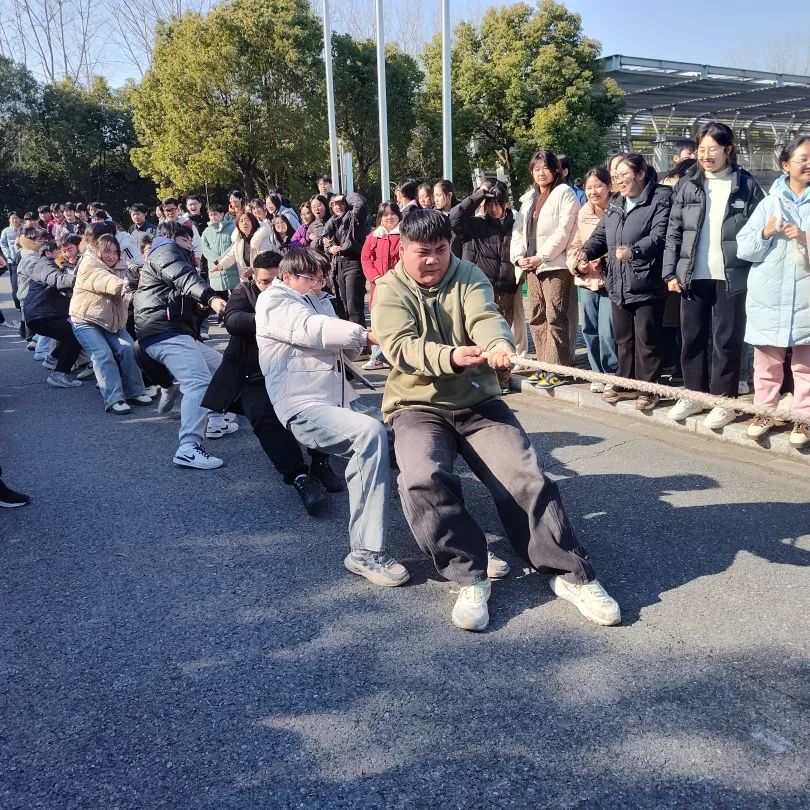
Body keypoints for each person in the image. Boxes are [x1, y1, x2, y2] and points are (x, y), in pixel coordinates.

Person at [373, 209, 620, 631]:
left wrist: (499, 344)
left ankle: (570, 574)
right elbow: (400, 347)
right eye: (422, 252)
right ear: (403, 250)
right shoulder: (389, 288)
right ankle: (469, 575)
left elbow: (486, 318)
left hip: (478, 401)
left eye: (441, 249)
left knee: (524, 475)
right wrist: (451, 356)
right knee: (422, 477)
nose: (433, 260)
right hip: (417, 406)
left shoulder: (468, 275)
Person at [255, 247, 409, 587]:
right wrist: (366, 335)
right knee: (368, 434)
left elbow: (343, 346)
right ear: (287, 276)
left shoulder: (318, 298)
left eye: (321, 277)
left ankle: (451, 539)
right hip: (302, 405)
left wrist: (363, 337)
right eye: (311, 277)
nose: (319, 283)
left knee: (411, 433)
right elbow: (312, 329)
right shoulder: (274, 300)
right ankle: (365, 552)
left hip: (338, 401)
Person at [202, 250, 344, 513]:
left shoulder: (304, 294)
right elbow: (232, 320)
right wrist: (273, 321)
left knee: (322, 405)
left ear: (288, 276)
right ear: (253, 278)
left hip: (297, 370)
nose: (270, 287)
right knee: (263, 416)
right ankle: (299, 477)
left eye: (275, 280)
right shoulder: (244, 292)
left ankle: (320, 463)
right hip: (253, 372)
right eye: (264, 282)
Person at [663, 122, 765, 429]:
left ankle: (724, 400)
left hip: (732, 276)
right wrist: (670, 271)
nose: (706, 156)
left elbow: (759, 230)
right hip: (693, 274)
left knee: (727, 340)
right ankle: (693, 395)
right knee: (692, 337)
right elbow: (673, 231)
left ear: (728, 150)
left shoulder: (746, 185)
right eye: (701, 149)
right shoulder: (688, 184)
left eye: (713, 149)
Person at [579, 154, 673, 411]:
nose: (619, 181)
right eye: (615, 176)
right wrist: (585, 253)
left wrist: (635, 251)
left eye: (624, 175)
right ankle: (625, 382)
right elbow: (601, 234)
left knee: (647, 339)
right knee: (623, 338)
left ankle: (650, 388)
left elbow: (660, 236)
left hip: (647, 280)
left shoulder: (660, 198)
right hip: (618, 280)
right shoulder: (616, 202)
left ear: (641, 174)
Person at [133, 221, 230, 469]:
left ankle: (217, 418)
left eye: (190, 239)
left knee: (222, 367)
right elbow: (183, 277)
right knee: (198, 382)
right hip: (164, 330)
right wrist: (211, 297)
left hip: (174, 331)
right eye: (185, 239)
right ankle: (188, 447)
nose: (190, 243)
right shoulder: (165, 251)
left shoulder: (171, 255)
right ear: (172, 237)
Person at [736, 134, 810, 447]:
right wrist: (766, 232)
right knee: (766, 362)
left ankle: (804, 417)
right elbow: (744, 249)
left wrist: (805, 238)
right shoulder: (769, 203)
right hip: (769, 296)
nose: (809, 164)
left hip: (806, 298)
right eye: (803, 159)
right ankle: (764, 411)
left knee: (806, 364)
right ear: (785, 165)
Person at [512, 150, 580, 388]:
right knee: (537, 317)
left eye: (546, 168)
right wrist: (518, 258)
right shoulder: (529, 198)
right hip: (531, 266)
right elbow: (518, 231)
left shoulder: (564, 192)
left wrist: (542, 257)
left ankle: (559, 369)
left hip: (554, 265)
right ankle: (544, 366)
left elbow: (564, 230)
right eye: (536, 169)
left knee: (555, 317)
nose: (541, 173)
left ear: (556, 170)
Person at [69, 234, 150, 414]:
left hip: (112, 321)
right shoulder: (89, 264)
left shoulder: (122, 264)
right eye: (107, 251)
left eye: (115, 252)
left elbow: (137, 270)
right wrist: (130, 287)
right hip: (85, 320)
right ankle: (114, 399)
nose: (112, 256)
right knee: (103, 354)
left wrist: (144, 275)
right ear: (97, 250)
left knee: (129, 349)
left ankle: (135, 392)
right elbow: (109, 283)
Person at [449, 181, 518, 393]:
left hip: (506, 288)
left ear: (506, 204)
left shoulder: (517, 225)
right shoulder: (475, 225)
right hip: (478, 288)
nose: (494, 209)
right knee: (474, 335)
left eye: (498, 204)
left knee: (502, 335)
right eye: (489, 204)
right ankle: (474, 381)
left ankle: (502, 381)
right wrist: (478, 195)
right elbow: (454, 219)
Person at [567, 166, 618, 391]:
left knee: (608, 331)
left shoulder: (617, 210)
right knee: (589, 330)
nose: (593, 191)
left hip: (609, 280)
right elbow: (575, 244)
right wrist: (578, 264)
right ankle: (596, 373)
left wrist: (603, 260)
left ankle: (612, 374)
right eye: (589, 187)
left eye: (598, 186)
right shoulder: (583, 212)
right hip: (586, 280)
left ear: (609, 187)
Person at [23, 241, 83, 389]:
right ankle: (60, 374)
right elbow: (57, 279)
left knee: (68, 333)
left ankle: (52, 359)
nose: (62, 254)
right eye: (59, 251)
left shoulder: (47, 265)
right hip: (42, 314)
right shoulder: (45, 265)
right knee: (75, 335)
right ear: (48, 253)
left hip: (40, 313)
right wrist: (82, 280)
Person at [360, 201, 401, 370]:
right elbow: (365, 258)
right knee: (377, 321)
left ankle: (397, 356)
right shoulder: (374, 236)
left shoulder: (405, 235)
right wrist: (375, 277)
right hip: (378, 286)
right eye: (385, 214)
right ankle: (377, 357)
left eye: (392, 213)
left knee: (398, 321)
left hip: (398, 286)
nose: (389, 217)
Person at [323, 193, 369, 327]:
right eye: (334, 204)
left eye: (341, 203)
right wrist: (329, 248)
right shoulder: (331, 223)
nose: (338, 206)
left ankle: (359, 338)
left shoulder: (354, 218)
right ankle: (348, 337)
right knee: (342, 306)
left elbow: (360, 203)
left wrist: (345, 197)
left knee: (353, 306)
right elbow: (323, 241)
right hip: (337, 265)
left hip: (353, 263)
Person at [214, 212, 274, 282]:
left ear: (253, 222)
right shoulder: (239, 240)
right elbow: (231, 255)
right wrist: (221, 265)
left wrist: (253, 269)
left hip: (262, 278)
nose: (244, 223)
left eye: (247, 220)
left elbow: (265, 256)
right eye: (241, 221)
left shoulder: (261, 238)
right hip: (245, 279)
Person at [202, 204, 238, 294]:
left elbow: (235, 245)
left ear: (222, 214)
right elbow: (204, 247)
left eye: (215, 214)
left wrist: (223, 258)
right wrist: (215, 259)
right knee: (220, 298)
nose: (213, 217)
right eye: (211, 215)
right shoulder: (206, 231)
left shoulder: (232, 228)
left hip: (231, 268)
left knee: (236, 297)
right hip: (215, 269)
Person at [1, 212, 23, 310]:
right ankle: (18, 304)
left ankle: (26, 303)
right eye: (13, 218)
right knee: (15, 284)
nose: (15, 220)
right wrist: (8, 255)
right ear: (9, 220)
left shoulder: (24, 229)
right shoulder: (6, 231)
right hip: (13, 261)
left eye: (16, 218)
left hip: (24, 259)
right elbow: (3, 244)